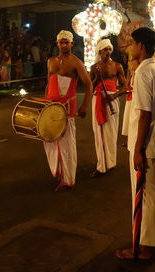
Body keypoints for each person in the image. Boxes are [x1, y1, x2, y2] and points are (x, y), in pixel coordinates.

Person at [116, 27, 155, 260]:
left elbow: (145, 115)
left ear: (141, 46)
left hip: (146, 145)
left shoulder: (143, 74)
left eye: (132, 43)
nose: (129, 48)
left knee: (144, 195)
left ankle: (143, 247)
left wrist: (137, 149)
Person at [43, 30, 92, 191]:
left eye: (67, 42)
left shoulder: (76, 62)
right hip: (50, 107)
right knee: (49, 140)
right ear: (57, 44)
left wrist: (84, 105)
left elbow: (88, 84)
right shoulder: (50, 61)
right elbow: (49, 84)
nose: (64, 45)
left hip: (67, 109)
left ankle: (68, 179)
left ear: (72, 44)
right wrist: (44, 103)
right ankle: (59, 171)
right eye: (61, 42)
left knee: (67, 144)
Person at [89, 38, 127, 177]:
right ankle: (101, 166)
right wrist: (96, 79)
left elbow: (125, 85)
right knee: (99, 132)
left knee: (111, 132)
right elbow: (89, 87)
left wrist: (115, 95)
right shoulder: (94, 68)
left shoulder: (117, 66)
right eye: (105, 49)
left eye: (109, 49)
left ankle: (110, 163)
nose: (108, 52)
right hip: (98, 99)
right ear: (99, 52)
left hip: (112, 100)